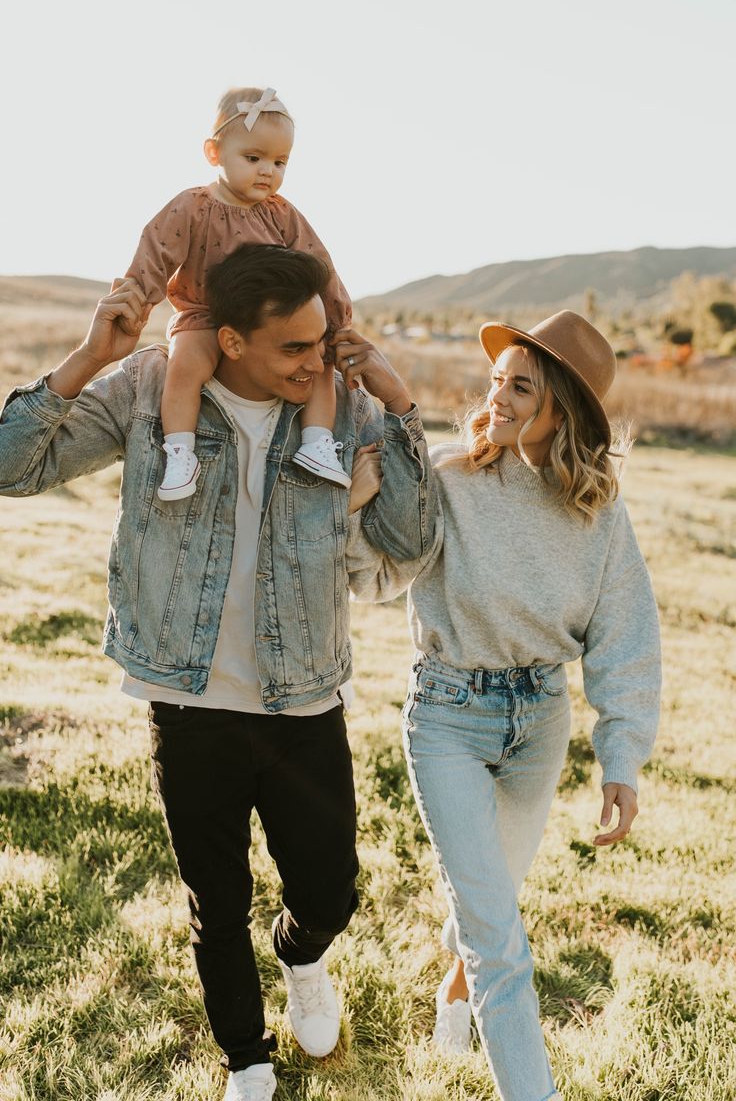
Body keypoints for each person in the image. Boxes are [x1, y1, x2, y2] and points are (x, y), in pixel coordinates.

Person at [0, 243, 435, 1101]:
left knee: (331, 892)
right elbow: (13, 465)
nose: (317, 364)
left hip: (306, 692)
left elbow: (412, 540)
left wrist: (396, 400)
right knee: (217, 896)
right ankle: (248, 1058)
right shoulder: (147, 392)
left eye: (323, 343)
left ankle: (302, 956)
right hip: (187, 696)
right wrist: (93, 355)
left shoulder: (343, 406)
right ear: (231, 339)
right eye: (295, 350)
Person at [347, 310, 661, 1101]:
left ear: (565, 408)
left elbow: (625, 638)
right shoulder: (452, 478)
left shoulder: (597, 513)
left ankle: (456, 984)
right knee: (501, 939)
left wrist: (621, 758)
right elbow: (379, 580)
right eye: (498, 381)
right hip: (448, 714)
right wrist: (358, 509)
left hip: (540, 724)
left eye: (522, 384)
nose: (501, 396)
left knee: (490, 899)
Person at [125, 85, 352, 500]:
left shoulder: (281, 213)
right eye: (254, 158)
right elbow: (156, 250)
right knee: (184, 367)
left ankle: (317, 441)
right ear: (215, 153)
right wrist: (136, 298)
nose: (268, 171)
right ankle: (181, 451)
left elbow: (319, 263)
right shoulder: (192, 206)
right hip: (205, 314)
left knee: (320, 361)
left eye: (280, 162)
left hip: (268, 324)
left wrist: (337, 319)